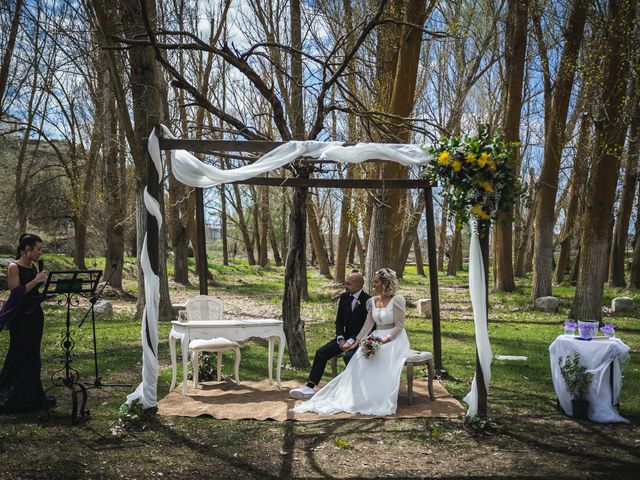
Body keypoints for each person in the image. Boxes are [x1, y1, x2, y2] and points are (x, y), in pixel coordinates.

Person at [292, 268, 412, 416]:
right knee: (356, 358)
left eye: (376, 282)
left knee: (372, 359)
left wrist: (383, 340)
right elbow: (368, 325)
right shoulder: (372, 301)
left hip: (394, 339)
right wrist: (356, 343)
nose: (373, 284)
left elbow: (399, 326)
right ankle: (347, 392)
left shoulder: (397, 300)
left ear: (386, 283)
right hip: (372, 337)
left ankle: (377, 394)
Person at [289, 271, 371, 400]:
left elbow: (366, 326)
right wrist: (340, 339)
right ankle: (310, 387)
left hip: (359, 339)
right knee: (321, 353)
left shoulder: (367, 301)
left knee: (349, 357)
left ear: (357, 286)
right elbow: (339, 321)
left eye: (348, 283)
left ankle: (355, 391)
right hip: (343, 339)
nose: (345, 285)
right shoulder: (344, 297)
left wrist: (350, 342)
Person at [0, 234, 55, 413]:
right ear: (27, 250)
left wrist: (47, 293)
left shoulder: (33, 266)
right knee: (19, 353)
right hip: (20, 318)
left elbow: (33, 295)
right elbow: (16, 293)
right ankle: (11, 395)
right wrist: (36, 280)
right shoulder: (14, 267)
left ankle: (31, 396)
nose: (40, 253)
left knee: (33, 356)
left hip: (35, 316)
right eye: (38, 249)